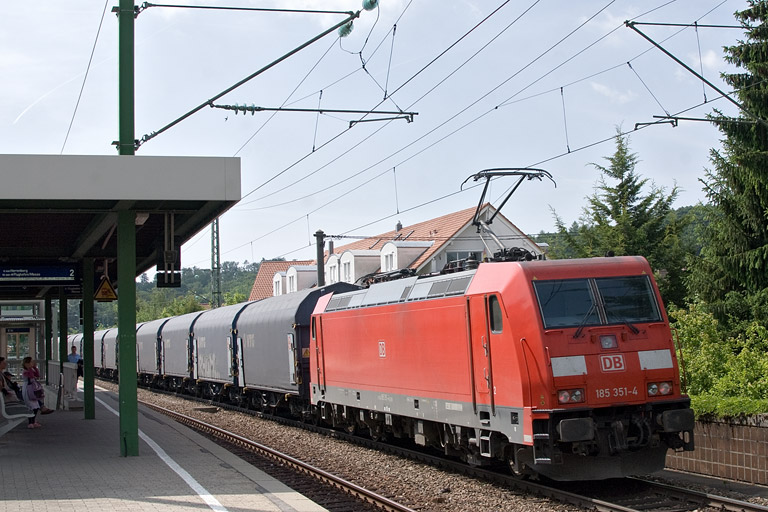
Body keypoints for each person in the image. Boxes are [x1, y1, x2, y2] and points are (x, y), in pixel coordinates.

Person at [21, 357, 52, 428]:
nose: (32, 363)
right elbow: (31, 375)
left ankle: (34, 421)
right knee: (31, 406)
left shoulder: (31, 369)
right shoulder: (25, 371)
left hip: (33, 388)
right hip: (28, 390)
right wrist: (29, 368)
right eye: (31, 362)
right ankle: (30, 422)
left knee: (36, 406)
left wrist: (35, 367)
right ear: (26, 363)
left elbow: (37, 375)